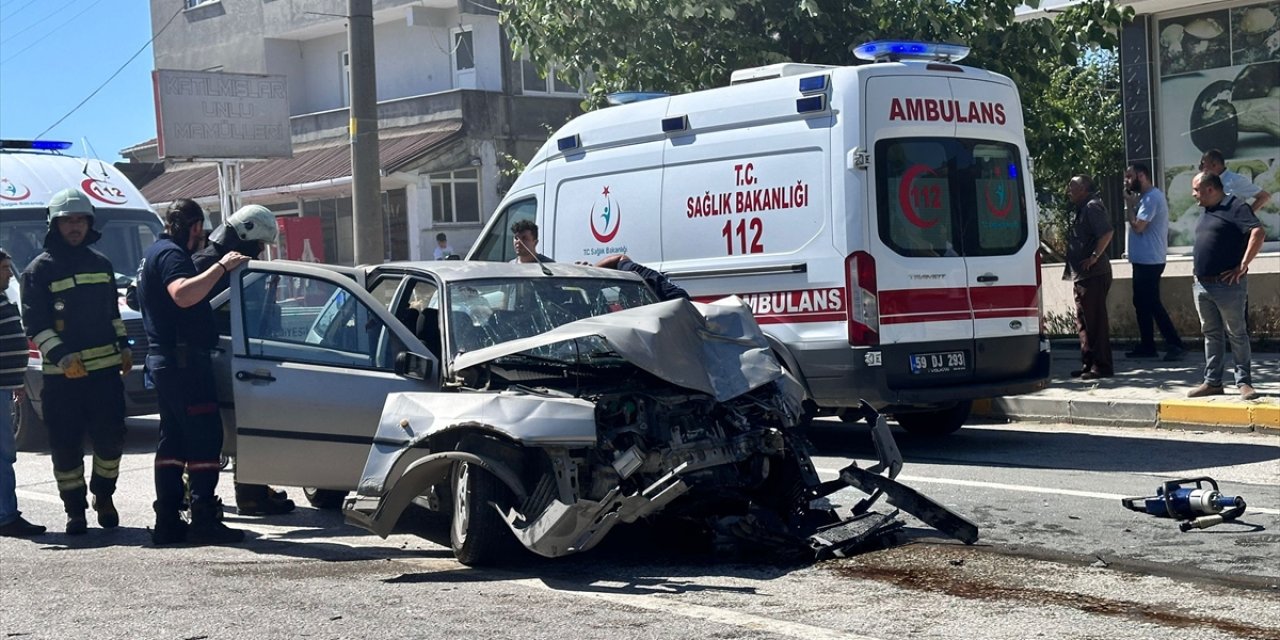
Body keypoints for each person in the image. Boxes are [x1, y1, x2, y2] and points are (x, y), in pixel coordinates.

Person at [137, 199, 250, 545]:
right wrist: (222, 267)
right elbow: (183, 296)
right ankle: (203, 519)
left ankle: (168, 520)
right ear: (196, 227)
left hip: (168, 362)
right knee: (203, 439)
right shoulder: (171, 255)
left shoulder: (153, 253)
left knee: (173, 442)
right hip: (183, 364)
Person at [18, 189, 129, 535]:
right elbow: (34, 324)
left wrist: (124, 344)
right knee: (65, 446)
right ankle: (75, 510)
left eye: (80, 219)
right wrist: (62, 356)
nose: (75, 227)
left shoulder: (102, 264)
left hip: (106, 375)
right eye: (68, 221)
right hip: (63, 379)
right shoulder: (38, 271)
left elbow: (112, 312)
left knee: (111, 440)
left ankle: (104, 496)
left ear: (90, 223)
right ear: (55, 225)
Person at [191, 204, 295, 517]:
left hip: (232, 355)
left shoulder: (231, 263)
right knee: (216, 428)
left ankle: (252, 493)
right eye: (259, 245)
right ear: (246, 234)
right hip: (218, 356)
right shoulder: (207, 264)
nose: (261, 252)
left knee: (244, 424)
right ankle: (241, 494)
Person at [1187, 172, 1265, 401]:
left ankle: (1244, 382)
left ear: (1210, 189)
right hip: (1202, 285)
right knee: (1211, 334)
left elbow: (1257, 232)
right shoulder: (1208, 211)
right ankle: (1212, 382)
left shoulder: (1235, 206)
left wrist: (1243, 265)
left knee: (1236, 333)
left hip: (1227, 285)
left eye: (1196, 190)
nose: (1193, 195)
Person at [0, 248, 46, 538]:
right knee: (3, 455)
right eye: (4, 268)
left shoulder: (3, 297)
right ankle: (6, 516)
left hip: (6, 384)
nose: (8, 273)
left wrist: (15, 379)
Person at [1122, 163, 1185, 361]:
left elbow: (1139, 227)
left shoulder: (1151, 198)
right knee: (1141, 302)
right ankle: (1147, 345)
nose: (1126, 181)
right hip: (1142, 260)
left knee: (1151, 303)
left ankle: (1175, 343)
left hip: (1150, 260)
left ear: (1142, 176)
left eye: (1129, 177)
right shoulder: (1144, 198)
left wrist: (1130, 206)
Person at [1064, 175, 1114, 380]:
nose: (1069, 189)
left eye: (1072, 186)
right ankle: (1089, 363)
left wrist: (1094, 257)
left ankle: (1101, 366)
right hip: (1082, 275)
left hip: (1094, 274)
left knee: (1095, 322)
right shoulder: (1083, 207)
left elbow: (1107, 232)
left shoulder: (1093, 206)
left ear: (1084, 188)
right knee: (1083, 321)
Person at [592, 254, 689, 302]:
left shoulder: (630, 269)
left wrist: (591, 270)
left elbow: (620, 257)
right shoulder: (633, 279)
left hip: (676, 302)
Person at [1200, 149, 1272, 213]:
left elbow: (1264, 196)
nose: (1200, 168)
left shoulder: (1236, 180)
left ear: (1214, 165)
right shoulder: (1206, 182)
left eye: (1203, 164)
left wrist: (1246, 216)